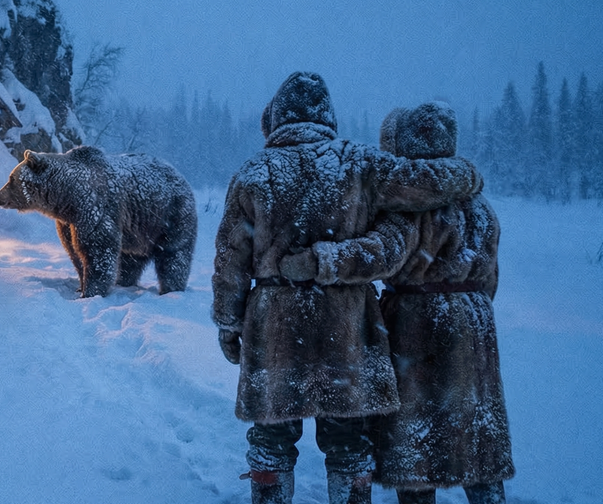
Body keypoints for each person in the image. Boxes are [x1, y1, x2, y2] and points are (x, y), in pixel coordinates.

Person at [211, 72, 484, 504]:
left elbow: (230, 261)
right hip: (346, 324)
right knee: (348, 439)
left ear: (278, 116)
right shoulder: (358, 164)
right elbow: (423, 184)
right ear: (328, 115)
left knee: (271, 435)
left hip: (274, 325)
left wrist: (229, 323)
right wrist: (465, 175)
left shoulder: (253, 174)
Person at [279, 102, 515, 504]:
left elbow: (378, 253)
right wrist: (466, 302)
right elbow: (490, 276)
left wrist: (320, 261)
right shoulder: (479, 206)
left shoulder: (411, 205)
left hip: (419, 325)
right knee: (475, 431)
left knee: (416, 443)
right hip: (476, 324)